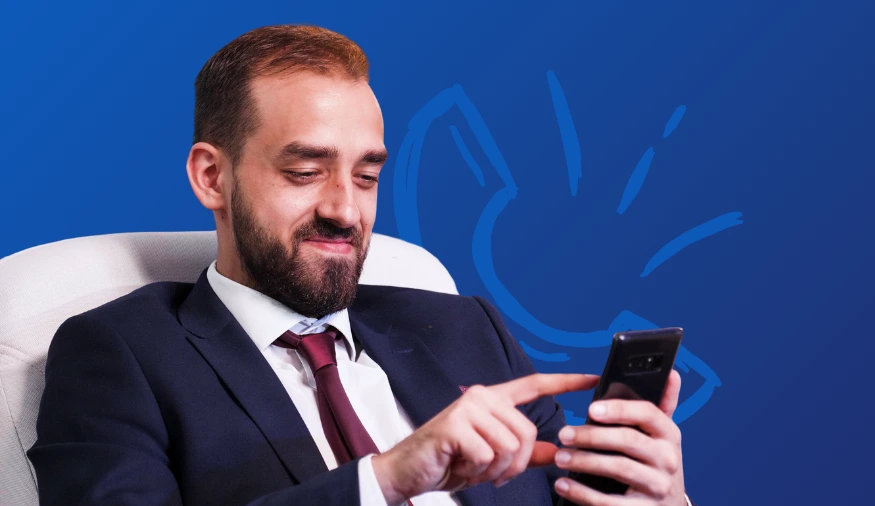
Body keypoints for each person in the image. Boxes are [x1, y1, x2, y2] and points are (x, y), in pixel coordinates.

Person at [27, 25, 692, 506]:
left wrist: (660, 501)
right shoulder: (120, 354)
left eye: (368, 176)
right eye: (306, 171)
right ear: (211, 177)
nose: (346, 209)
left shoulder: (465, 329)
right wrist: (387, 479)